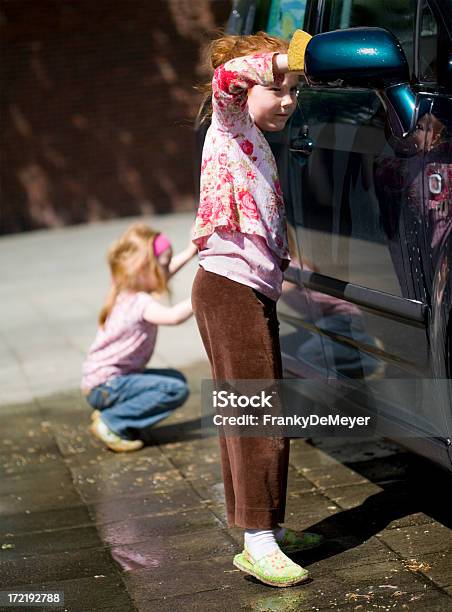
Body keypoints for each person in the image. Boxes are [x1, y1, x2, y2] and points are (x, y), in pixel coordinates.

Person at [191, 30, 324, 587]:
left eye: (295, 88)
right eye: (279, 88)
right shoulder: (231, 120)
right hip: (228, 290)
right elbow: (229, 79)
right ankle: (258, 541)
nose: (289, 99)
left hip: (244, 290)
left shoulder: (256, 141)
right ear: (246, 87)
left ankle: (262, 526)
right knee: (258, 415)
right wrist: (277, 59)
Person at [81, 222, 196, 452]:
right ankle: (112, 422)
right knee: (175, 389)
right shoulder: (140, 303)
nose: (166, 272)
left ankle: (113, 413)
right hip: (108, 385)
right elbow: (173, 317)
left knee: (175, 379)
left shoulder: (124, 288)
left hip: (103, 383)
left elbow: (162, 273)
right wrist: (203, 295)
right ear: (144, 269)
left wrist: (191, 251)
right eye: (162, 266)